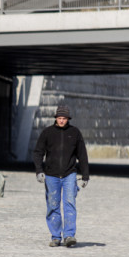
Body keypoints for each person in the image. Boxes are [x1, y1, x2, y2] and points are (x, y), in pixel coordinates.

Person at [33, 105, 89, 248]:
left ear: (68, 119)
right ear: (56, 119)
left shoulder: (75, 133)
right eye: (59, 118)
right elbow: (38, 152)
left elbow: (82, 154)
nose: (62, 121)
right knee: (53, 205)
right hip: (51, 175)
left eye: (64, 119)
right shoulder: (47, 133)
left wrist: (85, 175)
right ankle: (56, 236)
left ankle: (69, 235)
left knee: (70, 203)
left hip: (69, 174)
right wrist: (39, 171)